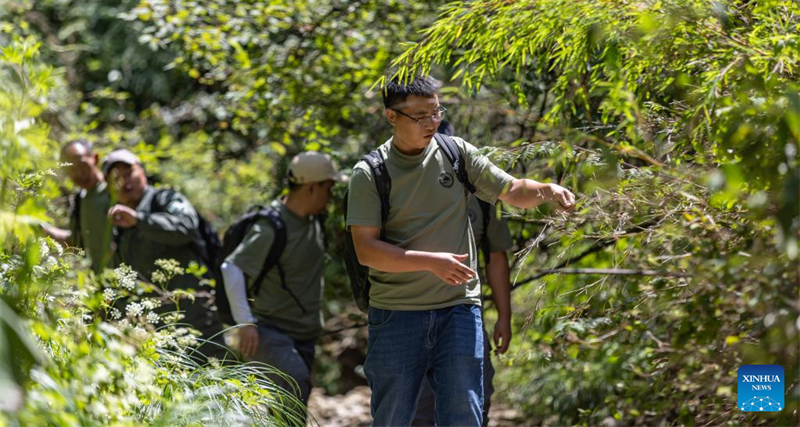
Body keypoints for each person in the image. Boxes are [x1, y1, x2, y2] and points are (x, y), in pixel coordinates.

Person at [347, 75, 575, 426]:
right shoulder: (370, 173)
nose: (432, 122)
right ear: (392, 117)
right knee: (393, 417)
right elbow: (367, 251)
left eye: (436, 112)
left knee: (465, 414)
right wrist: (430, 263)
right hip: (396, 314)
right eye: (420, 116)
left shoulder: (456, 153)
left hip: (459, 308)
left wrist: (546, 189)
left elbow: (512, 189)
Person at [220, 151, 348, 411]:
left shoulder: (313, 221)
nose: (331, 195)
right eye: (328, 188)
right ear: (311, 188)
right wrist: (245, 323)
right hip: (270, 332)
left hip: (304, 336)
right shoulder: (271, 226)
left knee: (290, 407)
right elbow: (231, 267)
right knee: (294, 385)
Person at [412, 121, 514, 427]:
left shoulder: (480, 193)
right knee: (416, 411)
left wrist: (505, 318)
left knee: (473, 403)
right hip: (409, 315)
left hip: (464, 314)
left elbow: (496, 257)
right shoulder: (397, 186)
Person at [103, 149, 226, 360]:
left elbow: (186, 225)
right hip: (150, 326)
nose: (124, 181)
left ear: (142, 172)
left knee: (212, 378)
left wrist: (140, 220)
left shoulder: (165, 199)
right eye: (116, 178)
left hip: (193, 316)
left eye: (129, 172)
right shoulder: (117, 222)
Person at [42, 139, 112, 273]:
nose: (77, 172)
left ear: (95, 158)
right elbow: (76, 244)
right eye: (70, 168)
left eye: (80, 163)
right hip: (103, 285)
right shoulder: (80, 200)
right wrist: (44, 230)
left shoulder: (116, 191)